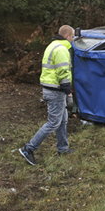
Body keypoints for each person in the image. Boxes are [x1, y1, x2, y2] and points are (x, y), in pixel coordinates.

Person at [19, 25, 75, 165]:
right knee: (53, 123)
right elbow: (63, 71)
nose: (73, 39)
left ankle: (63, 148)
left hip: (52, 89)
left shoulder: (52, 45)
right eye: (73, 37)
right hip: (56, 90)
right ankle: (28, 149)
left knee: (63, 120)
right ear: (67, 36)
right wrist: (68, 89)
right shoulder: (62, 49)